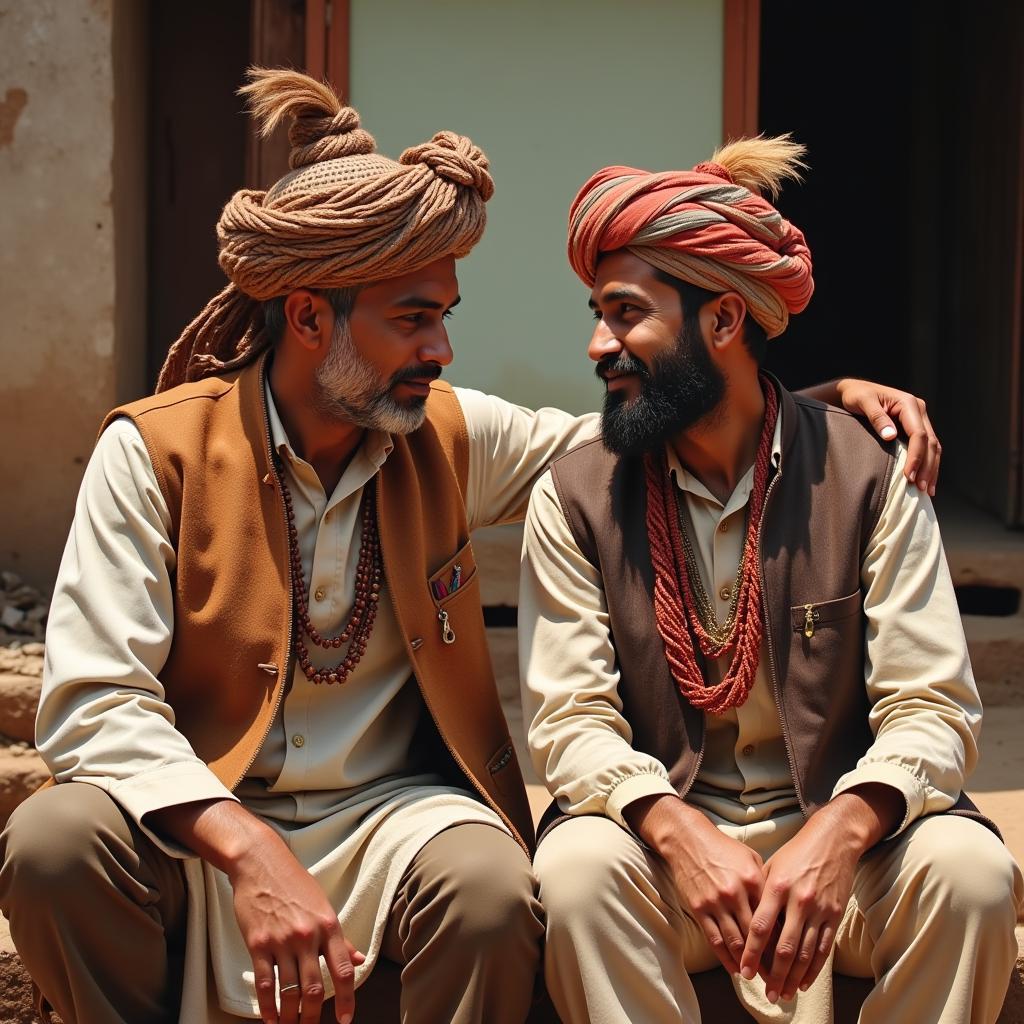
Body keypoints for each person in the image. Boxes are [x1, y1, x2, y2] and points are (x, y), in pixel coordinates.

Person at [0, 70, 942, 1024]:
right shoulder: (154, 452)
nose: (443, 348)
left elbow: (644, 427)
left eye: (445, 316)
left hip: (396, 822)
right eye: (414, 318)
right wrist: (247, 849)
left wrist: (813, 412)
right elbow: (92, 705)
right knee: (51, 843)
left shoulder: (447, 433)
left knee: (497, 890)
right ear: (310, 316)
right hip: (202, 822)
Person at [519, 135, 1024, 1024]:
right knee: (575, 872)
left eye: (626, 313)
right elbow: (570, 723)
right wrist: (681, 837)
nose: (600, 344)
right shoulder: (576, 493)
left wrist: (844, 829)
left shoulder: (865, 476)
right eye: (596, 313)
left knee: (974, 876)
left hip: (848, 864)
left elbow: (935, 706)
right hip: (670, 863)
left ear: (722, 321)